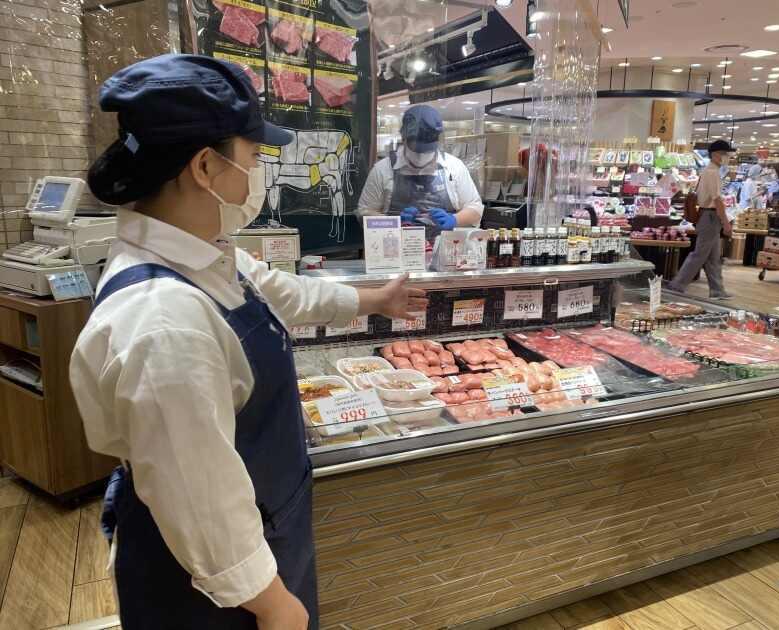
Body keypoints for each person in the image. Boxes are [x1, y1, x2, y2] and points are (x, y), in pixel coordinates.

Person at [69, 54, 427, 630]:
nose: (259, 173)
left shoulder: (202, 256)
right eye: (255, 156)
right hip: (213, 589)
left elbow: (283, 294)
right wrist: (272, 604)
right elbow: (199, 493)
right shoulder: (165, 320)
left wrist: (374, 301)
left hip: (262, 538)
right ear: (206, 167)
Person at [356, 104, 483, 239]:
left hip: (445, 253)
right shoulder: (382, 170)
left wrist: (454, 219)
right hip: (394, 251)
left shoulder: (454, 167)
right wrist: (394, 222)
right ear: (403, 138)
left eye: (427, 149)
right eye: (416, 148)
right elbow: (364, 213)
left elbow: (475, 208)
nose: (421, 155)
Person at [668, 140, 734, 300]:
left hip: (709, 216)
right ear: (716, 154)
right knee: (700, 254)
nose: (727, 157)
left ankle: (717, 290)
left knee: (713, 257)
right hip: (711, 217)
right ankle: (677, 285)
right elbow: (717, 200)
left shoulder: (710, 171)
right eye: (725, 154)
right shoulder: (712, 173)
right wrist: (726, 223)